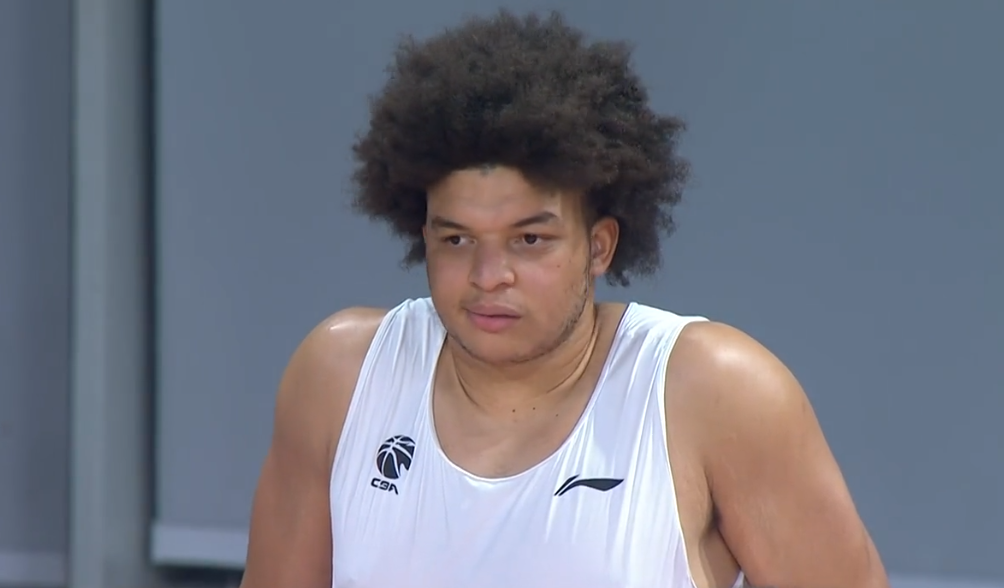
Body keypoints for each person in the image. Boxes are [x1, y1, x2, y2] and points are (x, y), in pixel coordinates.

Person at [239, 9, 890, 588]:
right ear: (423, 238)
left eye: (529, 239)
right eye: (458, 239)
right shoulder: (341, 377)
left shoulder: (718, 392)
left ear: (599, 247)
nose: (489, 275)